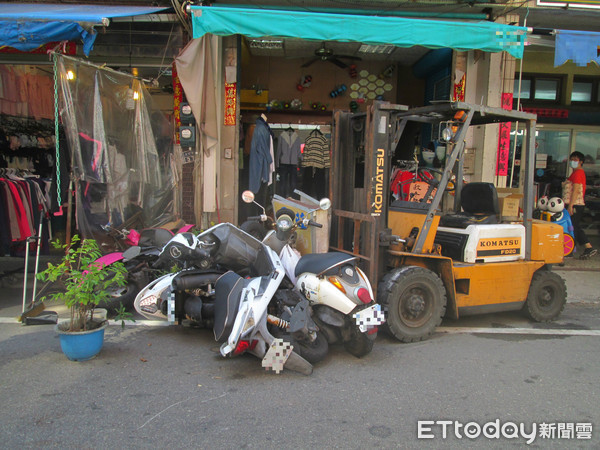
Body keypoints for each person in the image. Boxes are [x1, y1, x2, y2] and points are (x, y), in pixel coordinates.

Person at [565, 151, 597, 259]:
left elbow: (576, 190)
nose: (573, 161)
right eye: (572, 159)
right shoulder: (574, 173)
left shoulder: (579, 173)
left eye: (576, 160)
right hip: (573, 204)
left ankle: (586, 247)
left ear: (581, 162)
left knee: (572, 227)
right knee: (573, 226)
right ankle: (585, 247)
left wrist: (571, 206)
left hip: (576, 204)